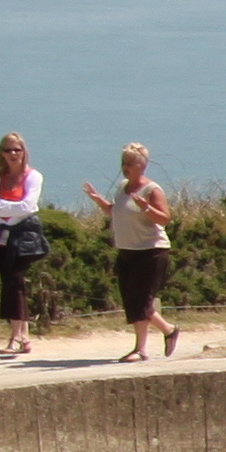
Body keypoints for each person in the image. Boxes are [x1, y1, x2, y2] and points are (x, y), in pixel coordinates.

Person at [83, 144, 178, 362]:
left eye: (130, 164)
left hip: (151, 251)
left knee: (141, 300)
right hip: (127, 250)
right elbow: (116, 211)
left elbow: (164, 219)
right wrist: (98, 200)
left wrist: (146, 207)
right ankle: (166, 332)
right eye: (123, 163)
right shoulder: (123, 186)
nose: (125, 168)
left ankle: (144, 346)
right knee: (131, 300)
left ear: (142, 166)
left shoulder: (152, 190)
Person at [0, 134, 52, 358]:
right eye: (8, 150)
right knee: (10, 281)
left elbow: (28, 206)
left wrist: (1, 206)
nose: (13, 155)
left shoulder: (34, 176)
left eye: (17, 150)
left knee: (14, 280)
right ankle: (24, 336)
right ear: (1, 153)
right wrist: (8, 207)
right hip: (3, 233)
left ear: (24, 152)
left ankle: (16, 336)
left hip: (25, 233)